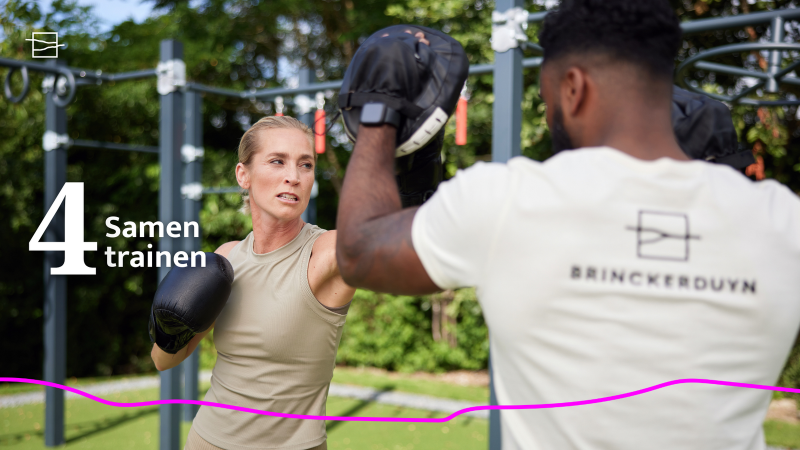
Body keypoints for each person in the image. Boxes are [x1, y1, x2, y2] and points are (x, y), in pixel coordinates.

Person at [334, 1, 800, 449]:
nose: (551, 110)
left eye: (548, 96)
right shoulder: (783, 221)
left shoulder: (508, 200)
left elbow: (358, 250)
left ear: (573, 88)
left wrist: (382, 109)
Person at [150, 115, 355, 450]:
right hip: (206, 439)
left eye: (306, 165)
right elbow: (163, 361)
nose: (294, 177)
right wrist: (169, 327)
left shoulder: (324, 254)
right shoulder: (225, 260)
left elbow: (385, 239)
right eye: (277, 161)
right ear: (243, 175)